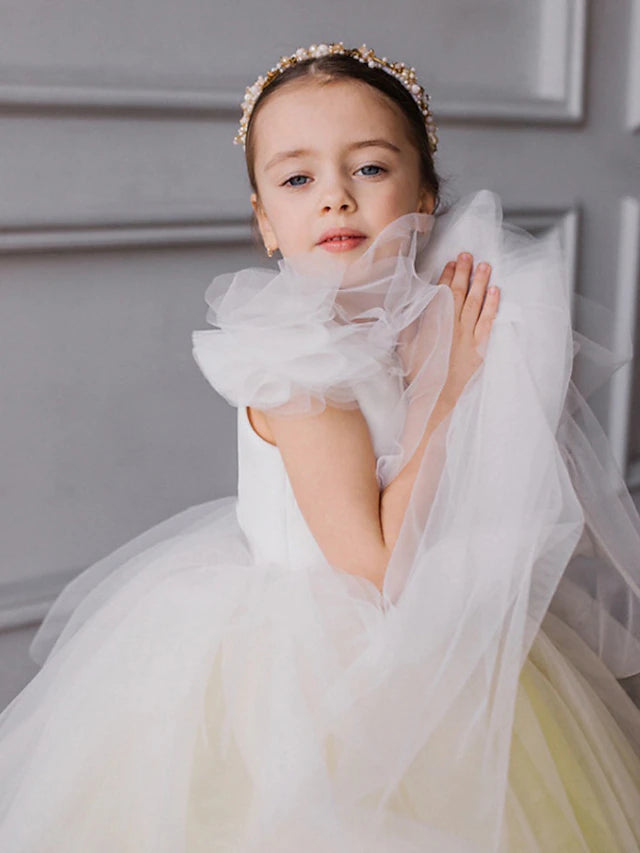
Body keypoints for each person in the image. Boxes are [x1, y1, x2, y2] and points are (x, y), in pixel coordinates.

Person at [1, 40, 639, 853]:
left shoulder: (416, 336)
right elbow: (374, 566)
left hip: (433, 643)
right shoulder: (297, 361)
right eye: (297, 180)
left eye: (369, 169)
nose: (335, 198)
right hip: (314, 676)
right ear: (267, 221)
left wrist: (456, 378)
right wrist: (445, 398)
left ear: (427, 195)